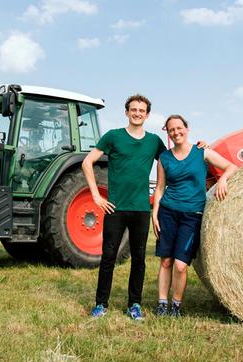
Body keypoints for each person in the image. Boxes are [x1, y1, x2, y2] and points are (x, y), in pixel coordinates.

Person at [81, 94, 165, 321]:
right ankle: (101, 304)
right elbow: (87, 162)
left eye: (142, 110)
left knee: (139, 259)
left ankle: (134, 305)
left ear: (147, 115)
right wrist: (97, 196)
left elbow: (171, 160)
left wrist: (200, 147)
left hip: (140, 209)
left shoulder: (154, 141)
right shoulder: (113, 137)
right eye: (134, 109)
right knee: (108, 257)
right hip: (115, 209)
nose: (138, 113)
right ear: (127, 112)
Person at [152, 114, 237, 317]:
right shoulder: (164, 158)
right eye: (171, 130)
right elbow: (160, 187)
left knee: (181, 265)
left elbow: (231, 166)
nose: (176, 132)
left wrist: (223, 180)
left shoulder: (201, 152)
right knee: (166, 261)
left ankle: (177, 305)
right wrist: (154, 213)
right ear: (168, 133)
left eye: (179, 128)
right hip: (168, 212)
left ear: (186, 129)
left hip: (192, 214)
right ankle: (162, 303)